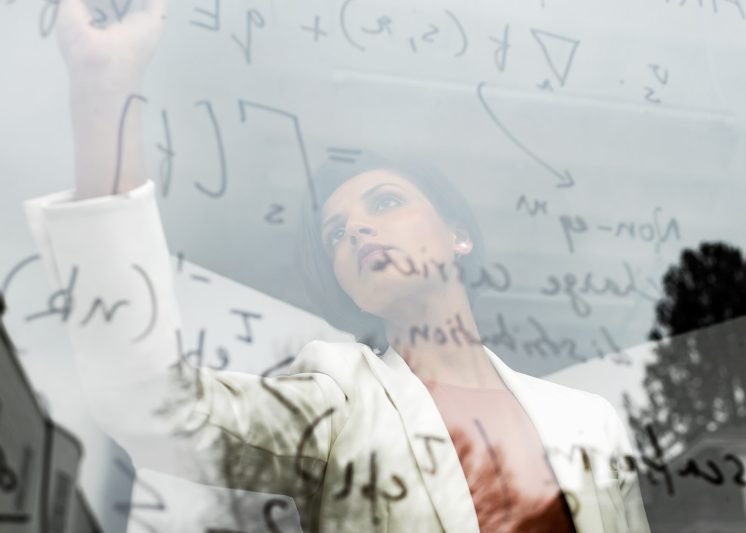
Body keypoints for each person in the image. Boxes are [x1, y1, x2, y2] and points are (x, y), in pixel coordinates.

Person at [23, 1, 651, 531]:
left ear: (457, 235)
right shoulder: (340, 399)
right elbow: (150, 401)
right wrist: (103, 99)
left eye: (385, 203)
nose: (357, 230)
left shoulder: (588, 421)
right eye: (336, 235)